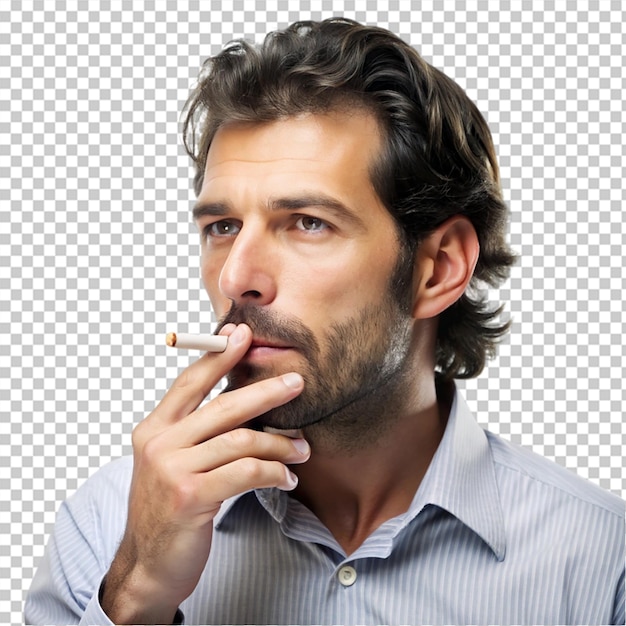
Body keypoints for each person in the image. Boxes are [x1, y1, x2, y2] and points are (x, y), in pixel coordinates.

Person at [25, 18, 624, 625]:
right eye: (222, 227)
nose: (237, 277)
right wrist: (135, 596)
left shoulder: (601, 562)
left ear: (438, 269)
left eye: (308, 222)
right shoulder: (108, 526)